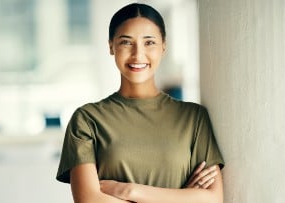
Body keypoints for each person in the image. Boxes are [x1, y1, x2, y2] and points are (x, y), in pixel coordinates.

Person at [56, 3, 224, 203]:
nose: (138, 54)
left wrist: (129, 191)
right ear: (111, 46)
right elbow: (89, 200)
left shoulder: (194, 117)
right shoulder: (86, 119)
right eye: (126, 42)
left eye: (149, 42)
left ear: (164, 46)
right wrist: (181, 197)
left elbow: (212, 199)